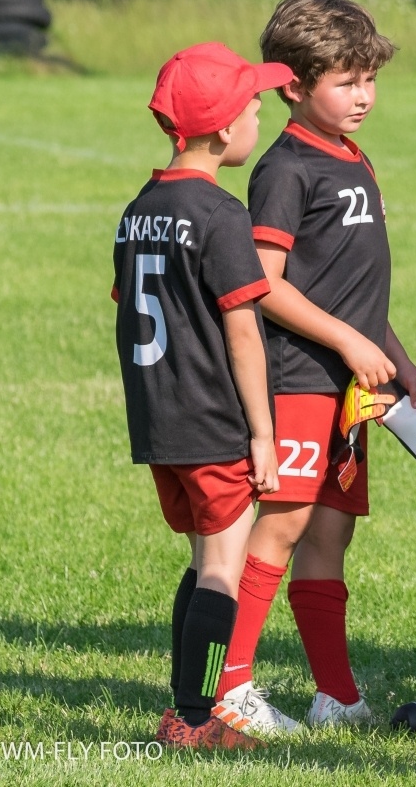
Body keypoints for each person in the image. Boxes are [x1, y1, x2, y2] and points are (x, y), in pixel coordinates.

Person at [212, 0, 416, 735]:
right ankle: (230, 690)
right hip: (298, 379)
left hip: (349, 387)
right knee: (283, 526)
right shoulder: (285, 168)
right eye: (346, 82)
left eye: (369, 79)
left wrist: (401, 365)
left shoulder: (355, 157)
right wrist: (349, 344)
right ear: (293, 86)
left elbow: (357, 294)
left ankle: (337, 696)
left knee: (329, 533)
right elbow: (264, 283)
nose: (363, 96)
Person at [113, 43, 288, 749]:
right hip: (212, 419)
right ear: (222, 128)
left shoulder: (139, 208)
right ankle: (195, 717)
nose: (259, 116)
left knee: (200, 560)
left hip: (159, 418)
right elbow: (244, 335)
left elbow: (129, 308)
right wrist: (263, 434)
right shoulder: (219, 214)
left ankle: (185, 707)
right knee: (222, 569)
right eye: (253, 106)